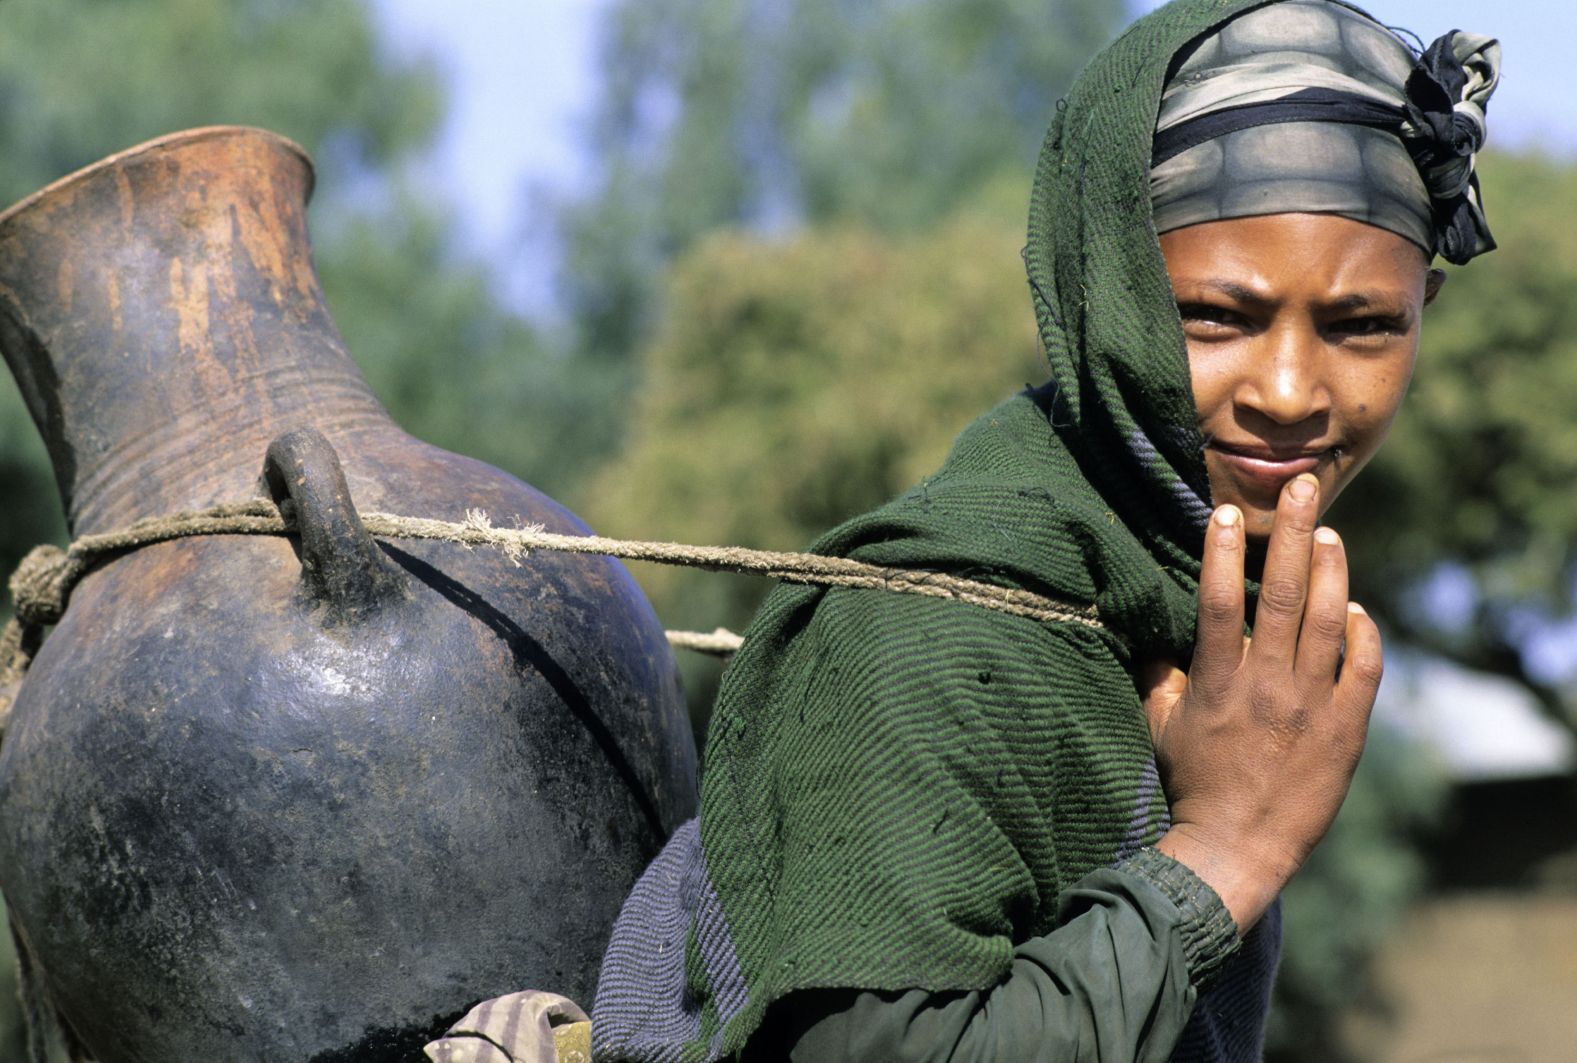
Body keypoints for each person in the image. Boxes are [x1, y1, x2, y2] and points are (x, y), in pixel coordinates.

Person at [428, 1, 1501, 1060]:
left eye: (1363, 325)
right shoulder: (937, 627)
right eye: (1216, 315)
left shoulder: (1181, 617)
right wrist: (1225, 848)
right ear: (1108, 296)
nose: (1287, 390)